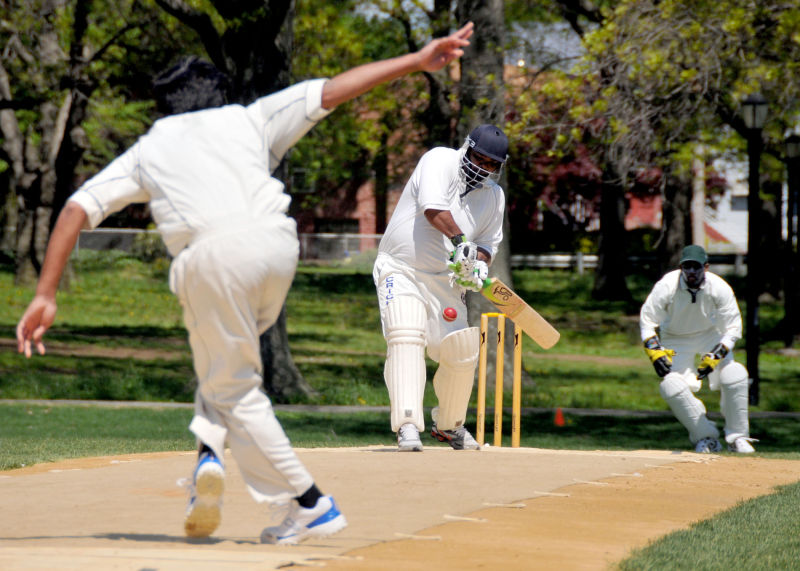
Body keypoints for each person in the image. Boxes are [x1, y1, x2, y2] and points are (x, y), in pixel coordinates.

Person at [15, 22, 475, 544]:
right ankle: (208, 456)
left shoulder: (153, 144)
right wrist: (416, 60)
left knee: (236, 386)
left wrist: (45, 292)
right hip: (277, 249)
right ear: (217, 95)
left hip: (211, 259)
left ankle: (310, 504)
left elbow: (77, 208)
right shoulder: (245, 118)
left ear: (166, 108)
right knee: (223, 367)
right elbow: (334, 89)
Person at [373, 123, 508, 452]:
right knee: (406, 332)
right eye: (479, 159)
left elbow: (488, 246)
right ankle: (407, 424)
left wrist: (476, 264)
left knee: (462, 348)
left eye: (492, 164)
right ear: (467, 148)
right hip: (400, 268)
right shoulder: (439, 160)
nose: (483, 168)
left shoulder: (493, 197)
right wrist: (462, 241)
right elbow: (433, 208)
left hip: (444, 280)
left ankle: (450, 426)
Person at [639, 245, 756, 454]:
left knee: (735, 374)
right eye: (687, 267)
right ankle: (706, 438)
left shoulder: (719, 288)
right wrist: (654, 352)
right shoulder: (666, 286)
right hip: (675, 338)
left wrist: (717, 354)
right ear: (681, 267)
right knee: (672, 387)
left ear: (706, 267)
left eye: (696, 267)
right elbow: (647, 321)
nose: (692, 272)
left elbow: (733, 328)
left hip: (711, 335)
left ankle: (738, 437)